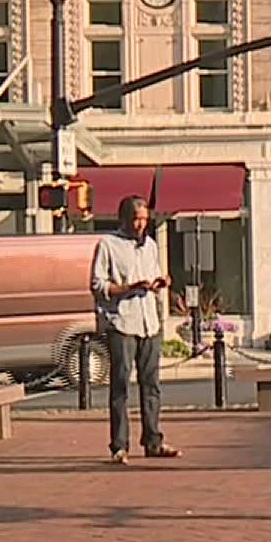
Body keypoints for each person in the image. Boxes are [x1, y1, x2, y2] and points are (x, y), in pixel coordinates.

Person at [90, 195, 179, 465]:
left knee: (151, 385)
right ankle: (119, 445)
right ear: (124, 219)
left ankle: (153, 440)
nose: (141, 224)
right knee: (121, 385)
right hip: (123, 322)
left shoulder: (150, 245)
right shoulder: (108, 244)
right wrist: (129, 287)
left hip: (149, 321)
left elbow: (158, 273)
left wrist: (162, 282)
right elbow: (97, 286)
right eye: (136, 219)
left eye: (144, 219)